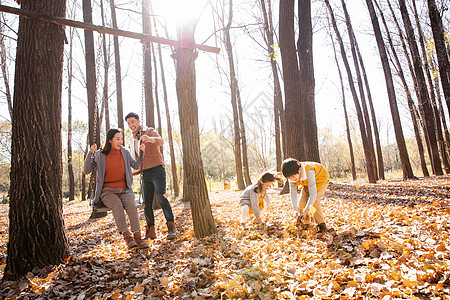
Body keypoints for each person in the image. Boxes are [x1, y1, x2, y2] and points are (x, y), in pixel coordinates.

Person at [84, 128, 148, 249]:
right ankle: (127, 237)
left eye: (121, 139)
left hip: (125, 190)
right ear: (110, 140)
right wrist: (90, 153)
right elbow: (86, 170)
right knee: (117, 206)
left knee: (132, 206)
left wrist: (142, 153)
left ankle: (138, 237)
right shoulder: (99, 154)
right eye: (117, 139)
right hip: (107, 192)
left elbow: (136, 165)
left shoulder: (125, 152)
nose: (120, 142)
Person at [125, 112, 176, 240]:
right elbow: (132, 157)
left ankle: (171, 226)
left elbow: (161, 141)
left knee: (160, 196)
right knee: (147, 203)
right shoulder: (132, 139)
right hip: (145, 173)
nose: (131, 125)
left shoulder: (149, 130)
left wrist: (150, 139)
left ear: (138, 121)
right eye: (129, 123)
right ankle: (151, 230)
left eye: (133, 122)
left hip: (157, 169)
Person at [281, 158, 329, 233]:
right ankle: (306, 224)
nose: (292, 179)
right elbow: (293, 192)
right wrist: (295, 209)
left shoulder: (309, 171)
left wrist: (307, 210)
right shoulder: (292, 176)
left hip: (321, 179)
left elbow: (313, 194)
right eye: (290, 178)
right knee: (302, 203)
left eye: (293, 177)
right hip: (307, 183)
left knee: (314, 201)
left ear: (300, 170)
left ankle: (322, 225)